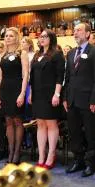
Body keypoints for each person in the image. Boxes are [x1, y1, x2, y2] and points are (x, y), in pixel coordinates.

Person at [63, 23, 95, 177]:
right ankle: (78, 160)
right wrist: (65, 98)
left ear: (88, 34)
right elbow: (67, 78)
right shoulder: (71, 53)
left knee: (90, 134)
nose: (75, 33)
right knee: (74, 133)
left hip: (88, 101)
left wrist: (94, 100)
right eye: (74, 31)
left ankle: (90, 163)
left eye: (79, 30)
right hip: (72, 100)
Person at [30, 30, 65, 169]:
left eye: (45, 36)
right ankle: (41, 155)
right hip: (37, 94)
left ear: (51, 38)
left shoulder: (57, 55)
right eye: (41, 37)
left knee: (51, 124)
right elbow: (32, 77)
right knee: (40, 124)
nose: (42, 39)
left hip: (51, 94)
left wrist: (56, 94)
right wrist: (31, 92)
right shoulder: (37, 55)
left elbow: (59, 76)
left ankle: (51, 154)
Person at [0, 27, 30, 164]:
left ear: (16, 37)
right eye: (6, 36)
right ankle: (10, 151)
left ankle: (17, 152)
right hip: (4, 90)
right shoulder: (1, 55)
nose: (7, 38)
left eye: (10, 36)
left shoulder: (22, 53)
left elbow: (25, 75)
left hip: (17, 88)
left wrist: (22, 94)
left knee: (17, 121)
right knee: (8, 121)